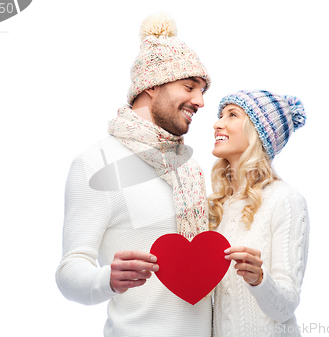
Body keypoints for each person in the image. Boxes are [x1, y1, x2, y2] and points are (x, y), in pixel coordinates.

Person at [55, 13, 212, 336]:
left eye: (203, 90)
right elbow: (70, 272)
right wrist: (107, 278)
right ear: (152, 86)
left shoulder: (190, 169)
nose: (200, 101)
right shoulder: (96, 162)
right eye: (189, 86)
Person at [209, 90, 310, 336]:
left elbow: (286, 305)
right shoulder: (216, 206)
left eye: (232, 115)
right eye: (221, 115)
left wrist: (260, 279)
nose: (217, 124)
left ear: (257, 133)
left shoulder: (285, 200)